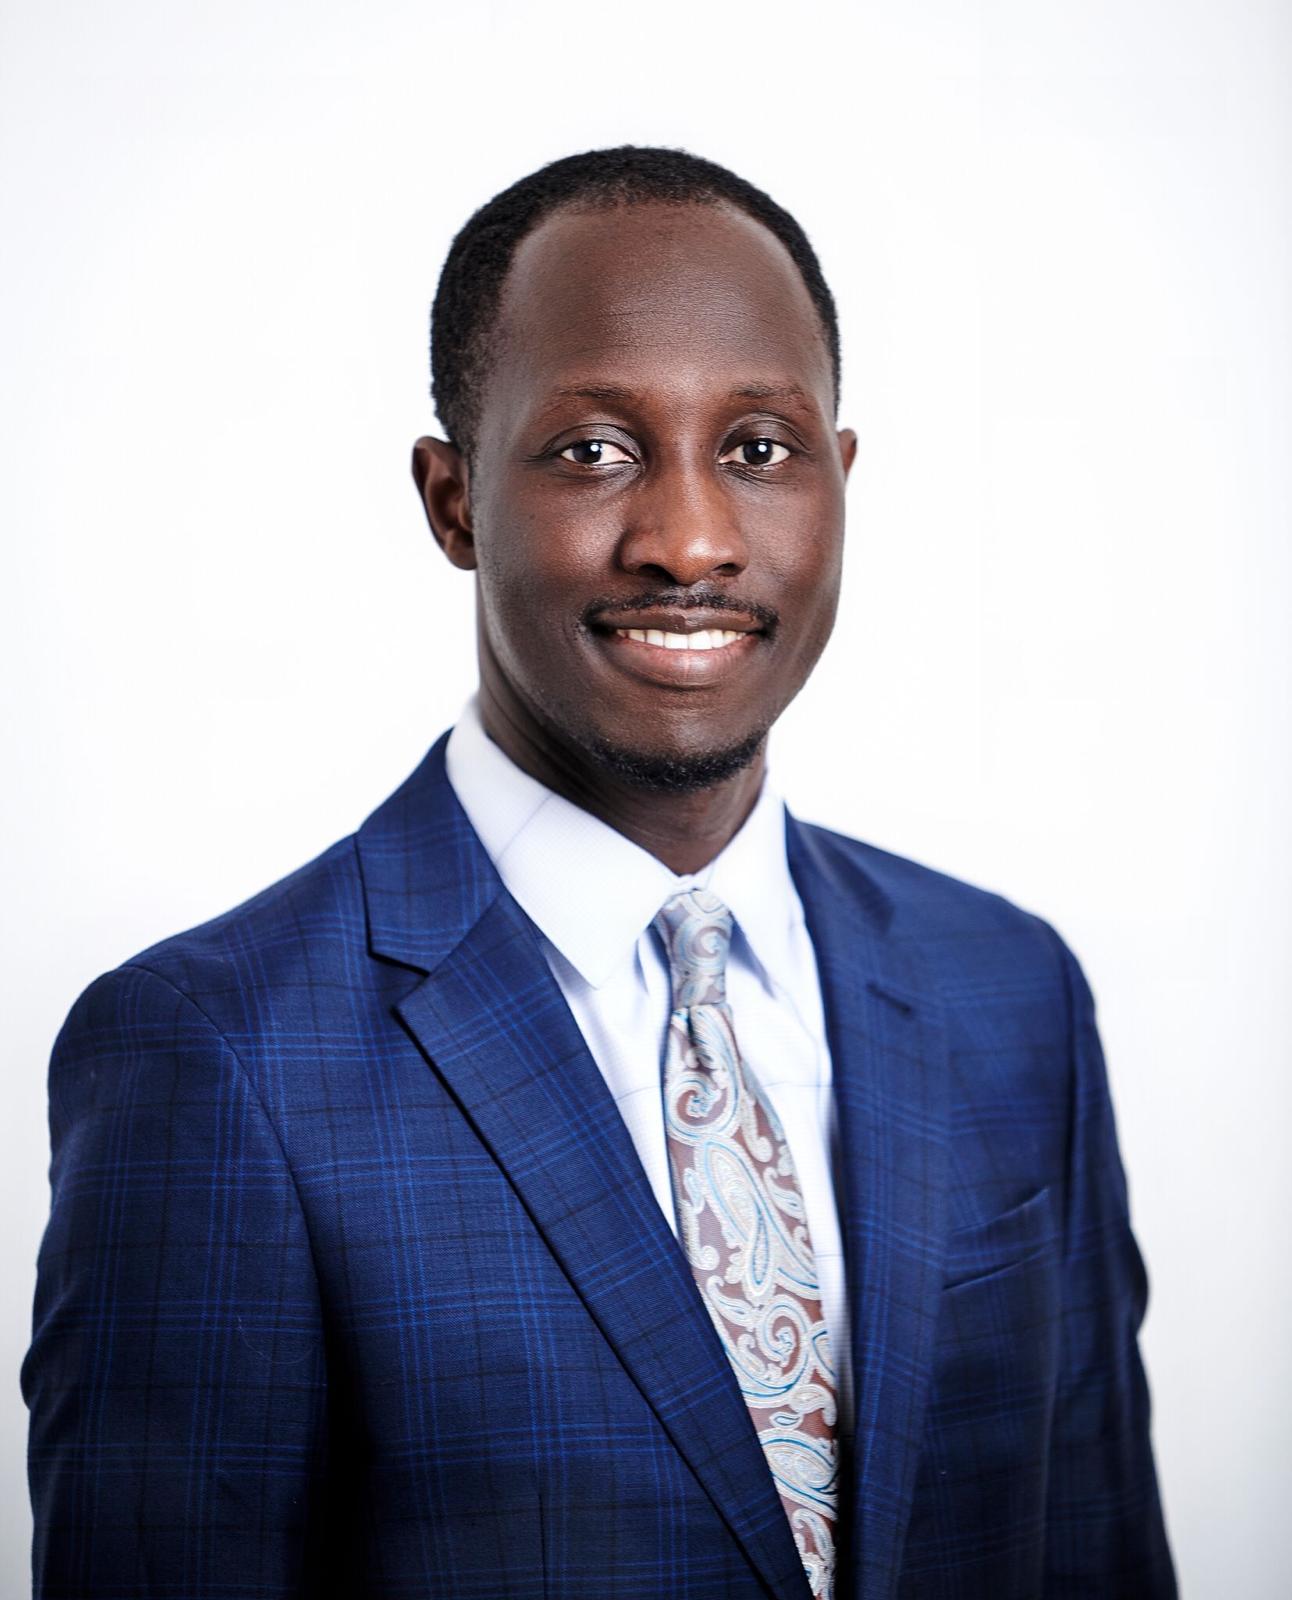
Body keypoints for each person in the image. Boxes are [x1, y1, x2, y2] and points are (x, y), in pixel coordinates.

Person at [22, 145, 1175, 1600]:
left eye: (759, 450)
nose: (689, 541)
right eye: (593, 452)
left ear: (841, 480)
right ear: (452, 501)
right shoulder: (217, 1055)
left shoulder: (1010, 994)